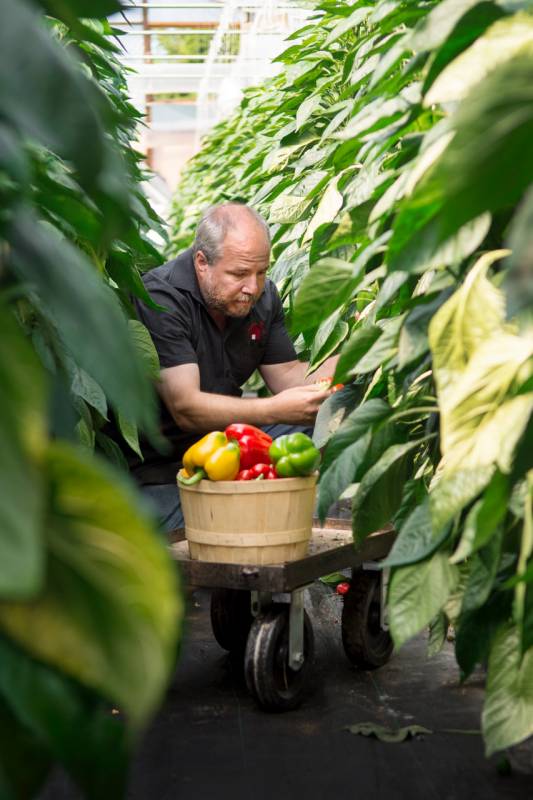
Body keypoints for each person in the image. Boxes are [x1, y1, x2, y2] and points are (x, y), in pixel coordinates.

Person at [129, 202, 338, 533]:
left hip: (223, 446)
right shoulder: (161, 297)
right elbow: (186, 407)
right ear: (202, 263)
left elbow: (288, 377)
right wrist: (273, 409)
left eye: (261, 272)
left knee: (327, 424)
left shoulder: (260, 297)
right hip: (161, 469)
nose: (253, 288)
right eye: (239, 274)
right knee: (217, 528)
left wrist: (357, 356)